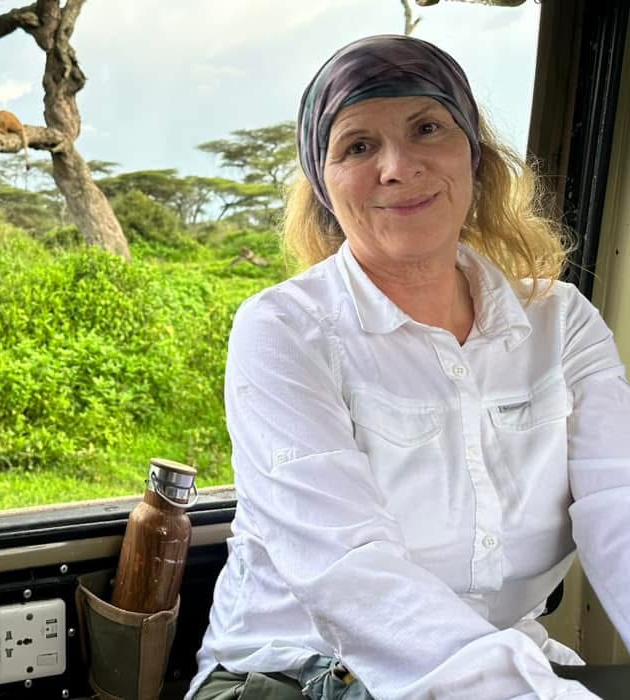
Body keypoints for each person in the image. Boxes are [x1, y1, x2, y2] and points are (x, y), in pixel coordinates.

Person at [186, 34, 630, 700]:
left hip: (508, 666)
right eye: (358, 146)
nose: (398, 166)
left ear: (475, 159)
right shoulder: (284, 329)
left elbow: (619, 505)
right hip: (296, 672)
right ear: (326, 187)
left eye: (428, 128)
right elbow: (351, 573)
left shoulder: (561, 323)